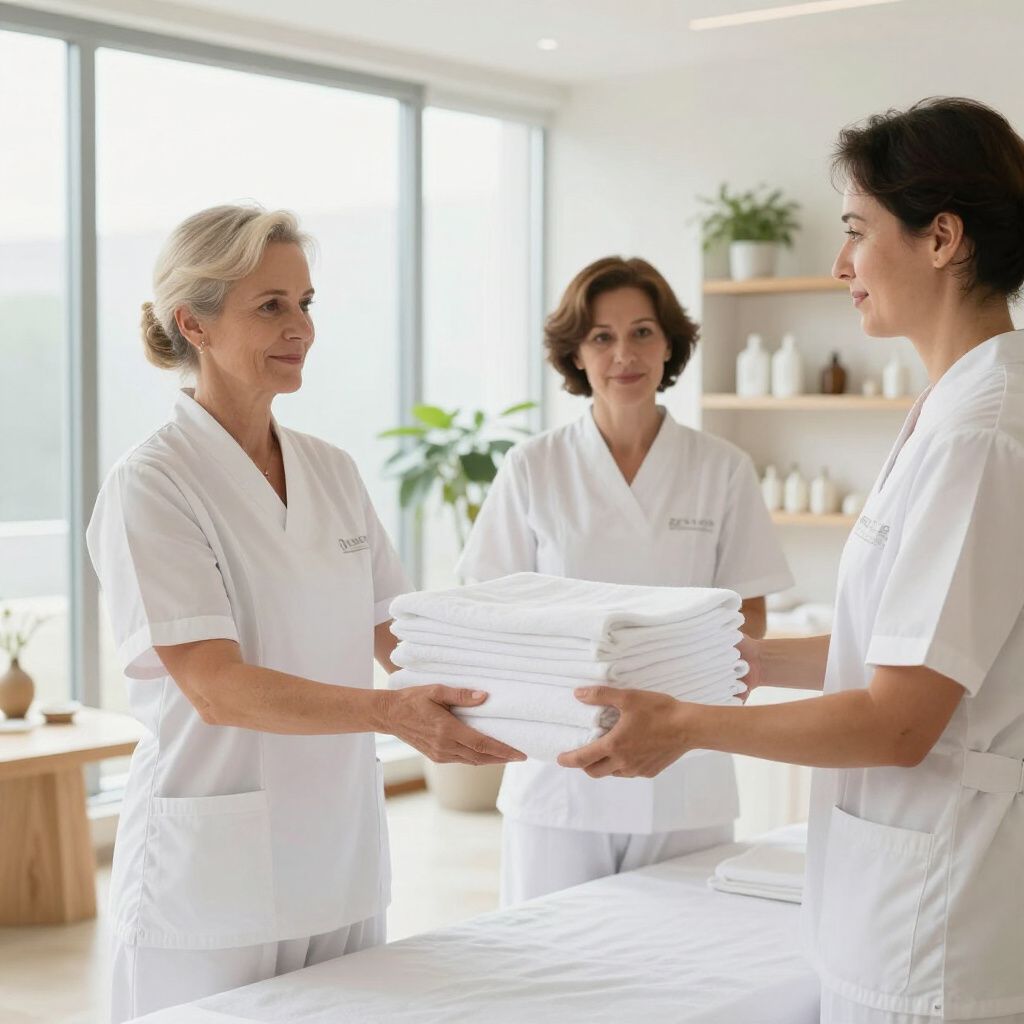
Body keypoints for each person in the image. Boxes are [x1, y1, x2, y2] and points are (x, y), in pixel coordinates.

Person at [559, 98, 1024, 1024]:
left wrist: (686, 724)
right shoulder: (952, 414)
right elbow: (901, 646)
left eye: (856, 232)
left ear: (942, 238)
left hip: (938, 914)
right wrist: (752, 662)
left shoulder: (982, 436)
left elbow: (899, 723)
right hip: (897, 888)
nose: (841, 264)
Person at [88, 204, 524, 1023]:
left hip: (338, 848)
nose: (300, 329)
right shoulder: (153, 484)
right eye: (271, 306)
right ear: (195, 324)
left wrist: (542, 689)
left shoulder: (331, 470)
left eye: (306, 303)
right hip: (213, 867)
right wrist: (393, 716)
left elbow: (399, 634)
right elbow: (218, 688)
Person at [457, 256, 793, 904]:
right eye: (602, 337)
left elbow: (748, 620)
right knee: (552, 970)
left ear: (669, 344)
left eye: (642, 331)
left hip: (686, 769)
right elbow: (488, 613)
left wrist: (687, 699)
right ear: (576, 353)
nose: (624, 354)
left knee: (681, 972)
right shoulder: (533, 467)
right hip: (558, 769)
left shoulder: (721, 468)